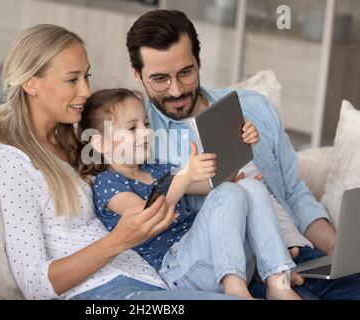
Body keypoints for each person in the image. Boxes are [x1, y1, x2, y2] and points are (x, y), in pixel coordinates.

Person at [125, 9, 360, 300]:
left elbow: (295, 193)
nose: (176, 90)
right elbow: (157, 217)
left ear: (199, 61)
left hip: (303, 256)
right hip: (246, 269)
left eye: (185, 72)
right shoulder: (140, 137)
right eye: (159, 79)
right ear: (137, 75)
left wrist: (335, 246)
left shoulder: (254, 107)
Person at [0, 23, 241, 300]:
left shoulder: (78, 143)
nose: (86, 91)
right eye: (72, 79)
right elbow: (35, 284)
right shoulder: (17, 165)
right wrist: (118, 240)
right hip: (108, 294)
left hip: (154, 280)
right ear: (31, 83)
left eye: (86, 77)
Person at [77, 87, 300, 300]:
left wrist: (241, 144)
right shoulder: (109, 182)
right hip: (180, 269)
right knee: (230, 192)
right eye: (132, 128)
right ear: (100, 143)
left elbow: (215, 185)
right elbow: (145, 218)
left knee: (251, 187)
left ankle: (277, 281)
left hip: (219, 257)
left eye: (145, 123)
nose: (146, 131)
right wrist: (185, 176)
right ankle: (235, 289)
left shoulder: (156, 167)